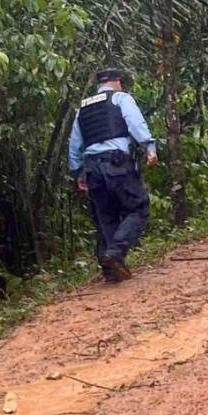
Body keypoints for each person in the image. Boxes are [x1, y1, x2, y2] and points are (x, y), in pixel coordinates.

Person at [69, 68, 158, 283]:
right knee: (138, 207)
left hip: (92, 167)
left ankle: (111, 269)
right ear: (117, 82)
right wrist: (149, 146)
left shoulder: (83, 107)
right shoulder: (120, 98)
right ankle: (115, 254)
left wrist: (78, 172)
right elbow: (135, 123)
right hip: (116, 162)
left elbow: (74, 143)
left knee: (105, 216)